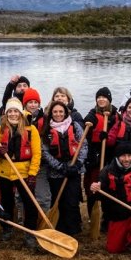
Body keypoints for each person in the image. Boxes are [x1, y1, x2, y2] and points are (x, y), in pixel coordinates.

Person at [0, 98, 42, 250]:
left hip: (24, 172)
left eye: (16, 111)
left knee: (29, 203)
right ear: (6, 114)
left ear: (21, 113)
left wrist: (32, 174)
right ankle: (8, 228)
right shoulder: (1, 129)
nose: (13, 114)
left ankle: (30, 232)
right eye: (10, 111)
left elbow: (37, 154)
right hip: (4, 172)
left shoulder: (31, 130)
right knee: (7, 202)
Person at [41, 100, 88, 235]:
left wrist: (78, 164)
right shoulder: (47, 129)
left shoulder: (75, 126)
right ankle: (60, 230)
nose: (58, 114)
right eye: (55, 112)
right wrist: (60, 167)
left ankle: (73, 230)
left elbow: (83, 145)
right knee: (59, 201)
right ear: (51, 113)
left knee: (72, 201)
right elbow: (45, 152)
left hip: (73, 170)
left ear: (66, 113)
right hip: (56, 172)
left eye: (61, 111)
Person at [83, 87, 117, 224]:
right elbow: (85, 136)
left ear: (109, 99)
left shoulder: (115, 115)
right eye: (99, 97)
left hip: (109, 157)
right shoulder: (91, 115)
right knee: (92, 189)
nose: (101, 99)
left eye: (104, 97)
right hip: (95, 157)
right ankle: (93, 217)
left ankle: (107, 218)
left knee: (109, 189)